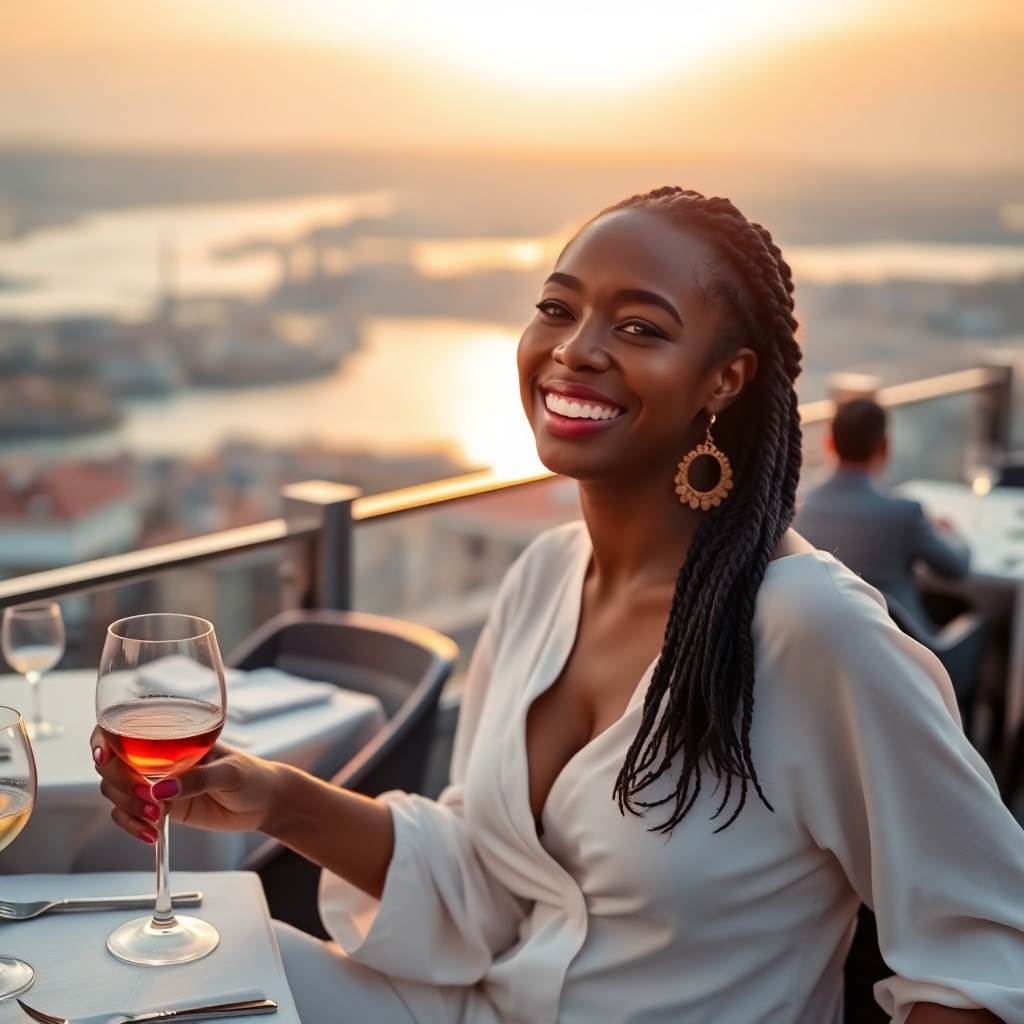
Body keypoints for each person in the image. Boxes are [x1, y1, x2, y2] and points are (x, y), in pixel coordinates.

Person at [92, 189, 1024, 1024]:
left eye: (642, 328)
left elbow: (984, 954)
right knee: (142, 980)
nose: (576, 350)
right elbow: (483, 881)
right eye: (557, 308)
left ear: (724, 378)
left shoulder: (815, 632)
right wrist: (277, 798)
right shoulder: (543, 576)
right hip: (465, 1008)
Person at [795, 398, 970, 634]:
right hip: (902, 648)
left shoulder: (799, 505)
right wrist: (950, 531)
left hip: (826, 640)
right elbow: (956, 567)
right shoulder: (905, 513)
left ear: (829, 443)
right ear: (885, 447)